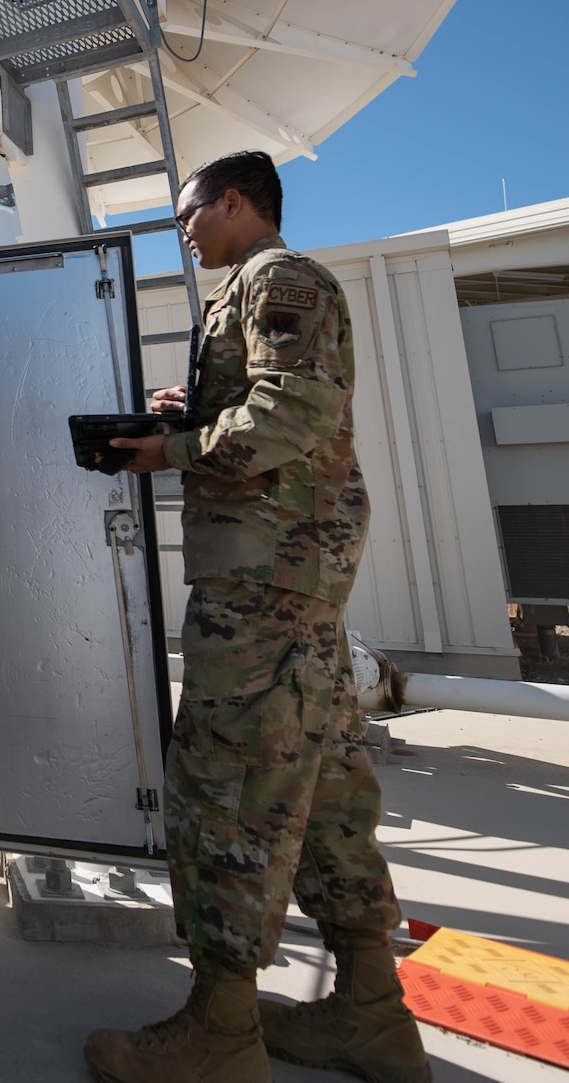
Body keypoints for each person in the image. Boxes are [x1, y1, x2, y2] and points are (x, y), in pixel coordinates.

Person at [86, 152, 429, 1083]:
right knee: (323, 795)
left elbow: (298, 408)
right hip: (291, 583)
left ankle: (221, 1035)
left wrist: (178, 448)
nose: (185, 229)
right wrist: (189, 410)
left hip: (263, 588)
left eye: (191, 212)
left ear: (235, 202)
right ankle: (372, 1013)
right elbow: (275, 402)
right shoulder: (249, 289)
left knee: (228, 792)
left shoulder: (276, 277)